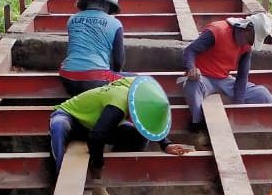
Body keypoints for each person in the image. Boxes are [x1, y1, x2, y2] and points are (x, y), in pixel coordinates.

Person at [49, 76, 191, 177]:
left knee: (138, 137)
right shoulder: (119, 103)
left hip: (95, 126)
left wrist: (166, 144)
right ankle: (59, 174)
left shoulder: (137, 91)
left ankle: (110, 168)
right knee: (59, 126)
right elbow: (96, 136)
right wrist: (98, 165)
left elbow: (149, 123)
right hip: (73, 120)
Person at [181, 12, 272, 134]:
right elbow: (190, 51)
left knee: (261, 93)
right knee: (192, 86)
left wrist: (238, 105)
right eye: (253, 39)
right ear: (248, 30)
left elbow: (242, 75)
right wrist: (191, 68)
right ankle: (198, 124)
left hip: (224, 79)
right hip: (203, 78)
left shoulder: (246, 46)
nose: (252, 43)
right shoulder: (217, 31)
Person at [59, 0, 125, 97]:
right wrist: (114, 76)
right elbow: (118, 60)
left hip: (68, 78)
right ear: (107, 5)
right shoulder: (115, 23)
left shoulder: (72, 19)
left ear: (87, 4)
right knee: (137, 80)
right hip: (95, 81)